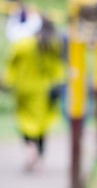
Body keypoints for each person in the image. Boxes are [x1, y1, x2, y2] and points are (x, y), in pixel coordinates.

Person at [2, 13, 65, 172]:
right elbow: (56, 67)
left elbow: (11, 67)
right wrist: (58, 82)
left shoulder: (20, 45)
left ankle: (30, 148)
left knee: (25, 122)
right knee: (41, 125)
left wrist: (5, 82)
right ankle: (39, 156)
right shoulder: (49, 44)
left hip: (23, 90)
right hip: (43, 91)